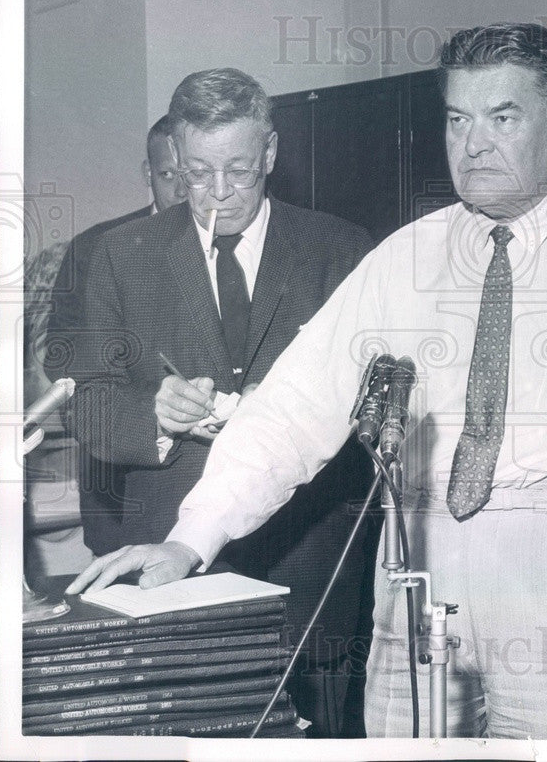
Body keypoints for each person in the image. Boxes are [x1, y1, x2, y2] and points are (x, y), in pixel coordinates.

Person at [68, 24, 547, 739]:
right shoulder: (404, 258)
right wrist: (189, 538)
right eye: (457, 119)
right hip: (418, 557)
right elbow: (295, 407)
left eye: (503, 117)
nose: (474, 143)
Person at [63, 68, 376, 737]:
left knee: (314, 739)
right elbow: (85, 405)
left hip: (309, 554)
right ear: (174, 160)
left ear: (269, 153)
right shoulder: (120, 255)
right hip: (161, 556)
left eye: (238, 168)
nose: (219, 193)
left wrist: (299, 408)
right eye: (198, 172)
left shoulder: (343, 249)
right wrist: (153, 413)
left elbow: (378, 406)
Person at [42, 114, 188, 556]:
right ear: (148, 172)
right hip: (120, 490)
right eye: (168, 175)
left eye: (193, 175)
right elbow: (63, 360)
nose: (184, 191)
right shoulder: (95, 247)